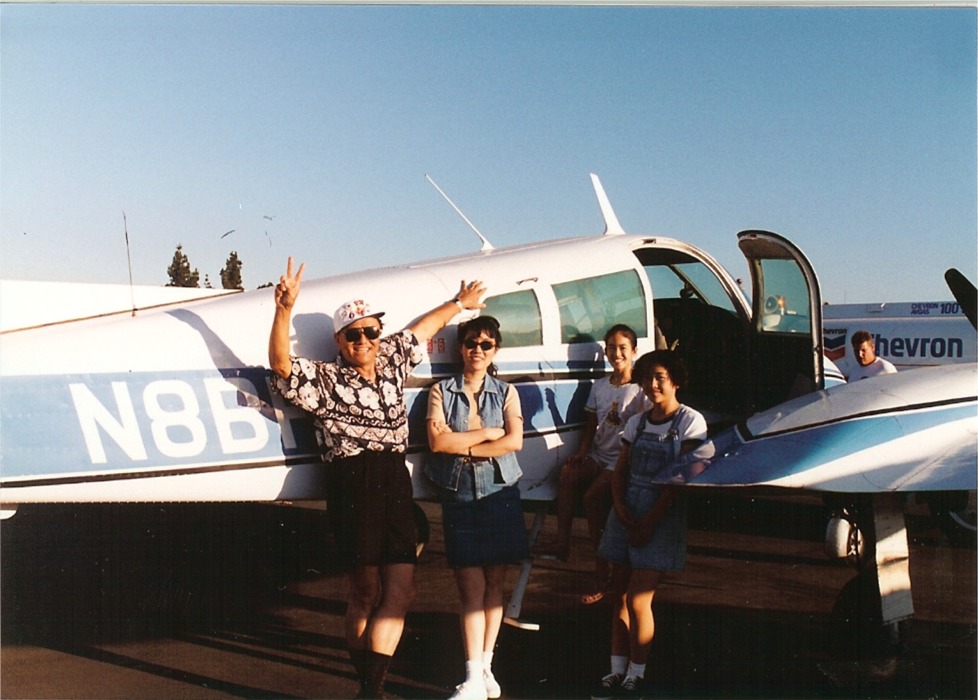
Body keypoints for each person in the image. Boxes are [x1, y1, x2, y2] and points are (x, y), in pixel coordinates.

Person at [268, 257, 486, 699]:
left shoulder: (390, 361)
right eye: (354, 334)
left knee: (401, 591)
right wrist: (284, 310)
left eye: (371, 331)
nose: (365, 340)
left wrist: (458, 304)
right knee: (365, 591)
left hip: (393, 478)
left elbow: (422, 331)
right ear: (339, 341)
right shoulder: (326, 379)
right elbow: (282, 366)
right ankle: (367, 687)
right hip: (353, 481)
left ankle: (372, 689)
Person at [591, 350, 707, 700]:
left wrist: (648, 522)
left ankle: (637, 674)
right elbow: (620, 470)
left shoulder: (690, 422)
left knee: (640, 598)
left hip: (662, 513)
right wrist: (622, 511)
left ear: (675, 381)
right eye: (646, 379)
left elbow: (680, 480)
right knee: (618, 597)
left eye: (659, 377)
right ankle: (616, 669)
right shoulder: (637, 422)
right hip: (627, 510)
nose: (652, 385)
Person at [425, 316, 528, 700]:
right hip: (460, 491)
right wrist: (485, 434)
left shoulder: (506, 393)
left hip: (500, 490)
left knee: (494, 585)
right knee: (471, 587)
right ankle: (470, 677)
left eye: (486, 344)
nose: (478, 350)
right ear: (460, 348)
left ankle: (486, 666)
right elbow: (437, 443)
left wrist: (462, 445)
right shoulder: (441, 391)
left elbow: (514, 441)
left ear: (495, 350)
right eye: (471, 343)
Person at [538, 324, 651, 606]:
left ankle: (603, 573)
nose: (616, 353)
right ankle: (562, 542)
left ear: (634, 351)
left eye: (623, 348)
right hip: (600, 454)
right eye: (611, 348)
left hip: (621, 460)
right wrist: (582, 452)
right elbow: (591, 425)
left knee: (592, 498)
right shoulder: (600, 385)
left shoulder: (640, 389)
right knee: (568, 473)